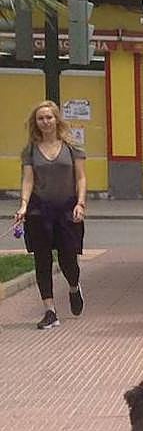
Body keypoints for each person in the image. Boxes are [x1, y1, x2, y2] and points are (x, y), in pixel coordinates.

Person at [13, 101, 87, 329]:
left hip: (66, 209)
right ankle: (50, 310)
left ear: (57, 120)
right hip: (39, 210)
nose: (45, 122)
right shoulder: (31, 150)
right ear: (35, 123)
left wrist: (81, 203)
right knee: (42, 260)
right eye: (40, 118)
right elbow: (28, 179)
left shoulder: (71, 147)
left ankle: (74, 288)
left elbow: (81, 178)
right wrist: (24, 205)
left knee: (67, 259)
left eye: (49, 117)